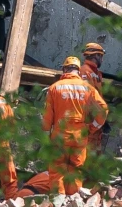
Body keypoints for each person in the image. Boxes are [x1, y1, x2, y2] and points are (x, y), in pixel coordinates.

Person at [42, 56, 108, 195]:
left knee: (57, 169)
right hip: (79, 136)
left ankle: (57, 200)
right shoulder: (87, 88)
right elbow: (103, 109)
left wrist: (45, 135)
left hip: (60, 136)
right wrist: (93, 127)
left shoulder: (54, 88)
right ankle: (73, 201)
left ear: (64, 69)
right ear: (78, 71)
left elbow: (48, 115)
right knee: (76, 169)